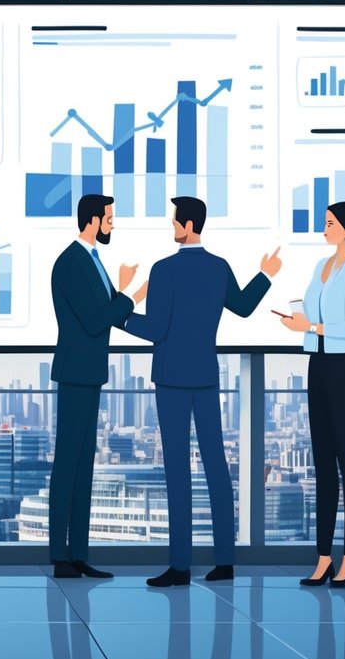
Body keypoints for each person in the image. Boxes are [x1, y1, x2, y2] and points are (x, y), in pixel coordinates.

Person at [121, 196, 282, 587]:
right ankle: (224, 562)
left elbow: (155, 329)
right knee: (216, 468)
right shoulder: (219, 267)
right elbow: (243, 307)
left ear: (188, 225)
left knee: (178, 471)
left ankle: (180, 566)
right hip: (206, 377)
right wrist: (265, 275)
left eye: (175, 220)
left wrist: (121, 312)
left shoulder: (164, 270)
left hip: (172, 380)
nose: (172, 226)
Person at [48, 194, 145, 579]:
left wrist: (125, 298)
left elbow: (107, 317)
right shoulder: (71, 262)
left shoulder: (92, 260)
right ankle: (60, 556)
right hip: (75, 372)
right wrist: (129, 294)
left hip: (90, 372)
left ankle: (78, 554)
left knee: (84, 466)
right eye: (108, 218)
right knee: (68, 465)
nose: (112, 224)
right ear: (92, 220)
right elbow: (94, 321)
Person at [279, 202, 345, 589]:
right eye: (325, 224)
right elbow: (314, 318)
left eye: (331, 224)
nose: (325, 230)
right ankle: (323, 558)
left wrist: (312, 325)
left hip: (343, 369)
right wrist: (299, 324)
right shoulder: (321, 266)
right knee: (322, 466)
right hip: (316, 366)